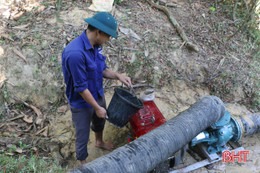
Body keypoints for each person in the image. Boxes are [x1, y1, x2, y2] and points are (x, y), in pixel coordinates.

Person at [61, 12, 132, 165]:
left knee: (100, 121)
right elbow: (80, 88)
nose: (109, 40)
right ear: (98, 32)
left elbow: (102, 70)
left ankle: (99, 142)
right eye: (108, 37)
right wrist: (97, 108)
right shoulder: (75, 54)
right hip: (81, 102)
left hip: (97, 93)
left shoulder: (95, 45)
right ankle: (83, 163)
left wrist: (118, 76)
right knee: (83, 134)